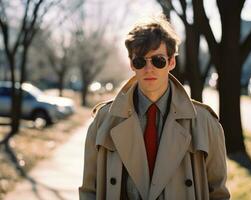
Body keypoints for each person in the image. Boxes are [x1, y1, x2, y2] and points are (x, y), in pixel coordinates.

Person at [79, 15, 230, 200]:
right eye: (140, 61)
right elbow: (89, 191)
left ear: (171, 62)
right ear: (131, 64)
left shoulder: (204, 122)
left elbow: (219, 194)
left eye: (158, 60)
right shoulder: (104, 120)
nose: (148, 69)